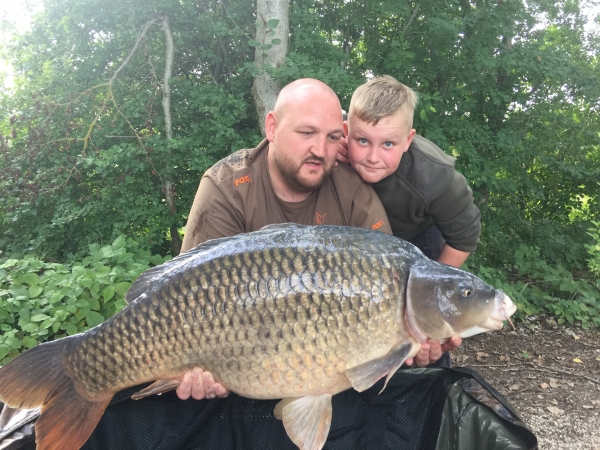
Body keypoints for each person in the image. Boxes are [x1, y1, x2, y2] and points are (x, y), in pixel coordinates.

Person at [175, 78, 461, 402]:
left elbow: (392, 289)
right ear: (272, 127)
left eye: (332, 137)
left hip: (324, 365)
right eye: (306, 133)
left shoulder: (353, 191)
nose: (320, 150)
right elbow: (186, 293)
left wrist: (417, 340)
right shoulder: (227, 185)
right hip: (231, 354)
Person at [338, 76, 482, 270]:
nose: (373, 157)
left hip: (418, 239)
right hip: (359, 236)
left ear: (408, 140)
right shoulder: (331, 140)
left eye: (388, 144)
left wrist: (432, 282)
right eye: (363, 140)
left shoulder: (434, 177)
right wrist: (329, 148)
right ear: (346, 132)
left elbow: (465, 235)